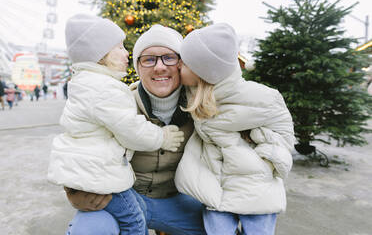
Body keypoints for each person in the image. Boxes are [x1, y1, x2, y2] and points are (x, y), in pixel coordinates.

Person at [48, 15, 184, 235]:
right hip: (108, 181)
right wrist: (162, 137)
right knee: (127, 222)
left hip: (171, 201)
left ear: (181, 63)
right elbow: (131, 130)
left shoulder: (200, 104)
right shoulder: (109, 92)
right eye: (148, 59)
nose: (159, 67)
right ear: (100, 56)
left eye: (169, 57)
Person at [174, 23, 295, 235]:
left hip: (257, 187)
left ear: (202, 71)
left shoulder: (260, 97)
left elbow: (284, 135)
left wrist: (262, 146)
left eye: (184, 62)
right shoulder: (193, 95)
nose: (176, 66)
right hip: (217, 188)